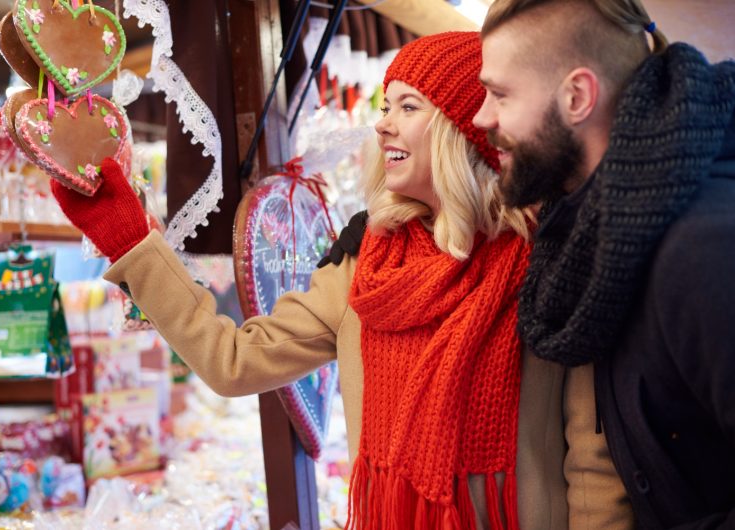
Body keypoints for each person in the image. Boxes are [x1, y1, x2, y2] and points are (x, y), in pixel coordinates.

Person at [50, 32, 591, 529]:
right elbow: (233, 361)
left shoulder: (547, 257)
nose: (382, 124)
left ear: (464, 127)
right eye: (385, 106)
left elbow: (593, 456)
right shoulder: (367, 261)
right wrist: (133, 243)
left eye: (409, 106)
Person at [472, 1, 735, 528]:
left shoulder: (702, 249)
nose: (482, 117)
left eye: (500, 94)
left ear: (577, 96)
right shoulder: (596, 234)